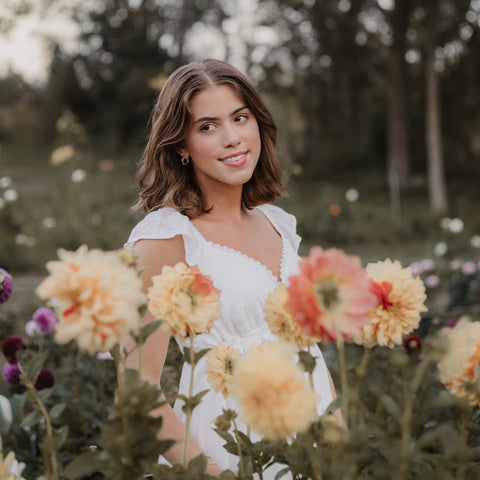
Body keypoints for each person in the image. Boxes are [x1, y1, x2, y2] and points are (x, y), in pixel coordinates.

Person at [124, 58, 336, 477]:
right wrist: (212, 473)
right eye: (207, 126)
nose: (233, 138)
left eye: (240, 118)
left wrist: (340, 445)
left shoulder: (277, 223)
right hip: (232, 450)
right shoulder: (166, 240)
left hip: (314, 450)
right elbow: (136, 390)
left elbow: (309, 350)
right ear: (181, 146)